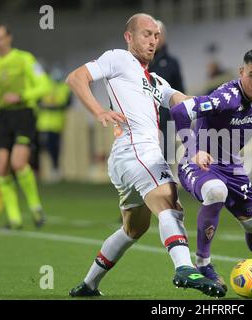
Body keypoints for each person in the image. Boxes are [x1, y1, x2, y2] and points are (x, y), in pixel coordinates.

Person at [66, 13, 225, 298]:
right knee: (169, 202)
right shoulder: (118, 58)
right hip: (137, 149)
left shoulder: (156, 81)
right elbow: (76, 78)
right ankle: (185, 268)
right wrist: (99, 111)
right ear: (129, 37)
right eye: (146, 34)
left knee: (134, 228)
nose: (152, 40)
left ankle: (88, 285)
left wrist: (222, 104)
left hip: (126, 158)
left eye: (156, 36)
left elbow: (182, 101)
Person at [170, 48, 252, 294]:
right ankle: (203, 266)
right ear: (242, 72)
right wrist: (194, 149)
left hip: (232, 168)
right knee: (216, 191)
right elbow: (180, 111)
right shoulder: (226, 97)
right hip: (197, 164)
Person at [0, 24, 50, 229]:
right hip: (3, 119)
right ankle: (14, 219)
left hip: (24, 114)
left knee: (18, 163)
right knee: (2, 167)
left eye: (0, 38)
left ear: (9, 38)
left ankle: (35, 208)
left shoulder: (25, 59)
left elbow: (45, 85)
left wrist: (22, 96)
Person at [149, 20, 185, 162]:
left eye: (157, 34)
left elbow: (180, 91)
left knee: (165, 163)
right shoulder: (140, 62)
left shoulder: (171, 63)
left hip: (166, 122)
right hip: (145, 122)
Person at [36, 67, 72, 182]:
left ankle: (55, 170)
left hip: (56, 124)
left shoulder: (65, 88)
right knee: (38, 148)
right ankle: (37, 171)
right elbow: (37, 101)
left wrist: (52, 107)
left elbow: (67, 104)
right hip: (42, 124)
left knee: (54, 148)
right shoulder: (45, 85)